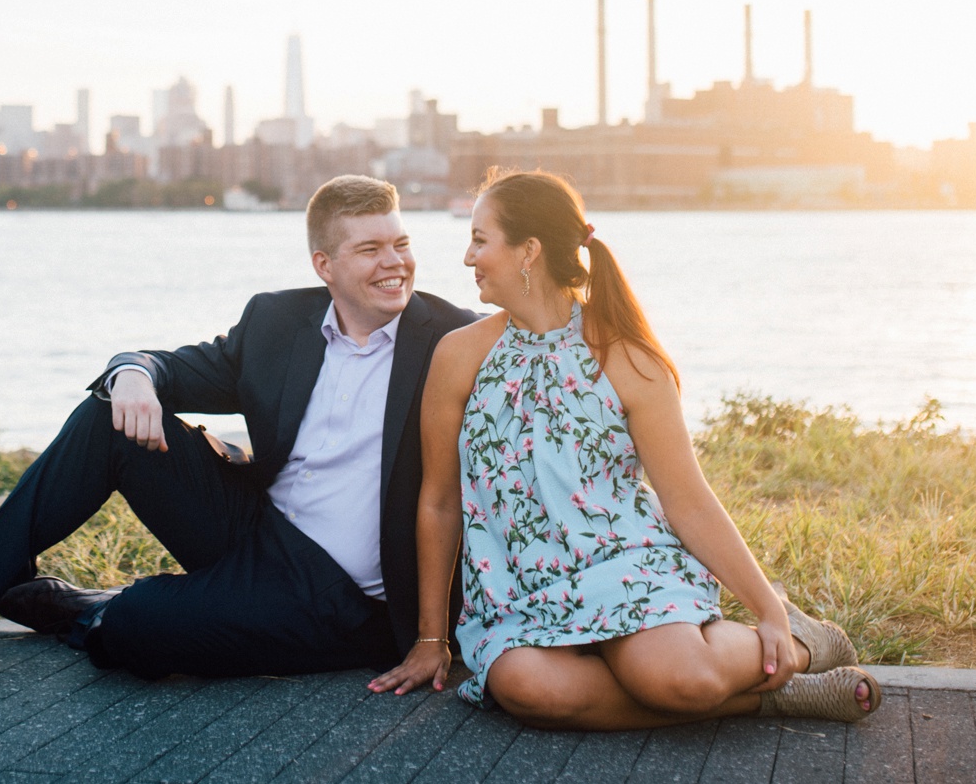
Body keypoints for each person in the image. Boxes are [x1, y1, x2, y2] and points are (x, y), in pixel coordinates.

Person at [0, 175, 481, 679]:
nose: (395, 261)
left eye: (401, 242)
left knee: (132, 628)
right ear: (324, 265)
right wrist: (131, 372)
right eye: (370, 248)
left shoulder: (450, 339)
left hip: (337, 592)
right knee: (108, 419)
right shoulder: (278, 321)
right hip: (252, 527)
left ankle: (86, 609)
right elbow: (169, 365)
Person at [367, 169, 880, 726]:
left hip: (623, 564)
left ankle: (799, 642)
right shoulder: (459, 356)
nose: (469, 257)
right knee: (528, 692)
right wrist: (430, 637)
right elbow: (439, 500)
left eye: (480, 239)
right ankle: (769, 696)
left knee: (680, 680)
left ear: (528, 252)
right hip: (517, 593)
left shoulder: (627, 357)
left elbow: (688, 500)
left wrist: (767, 608)